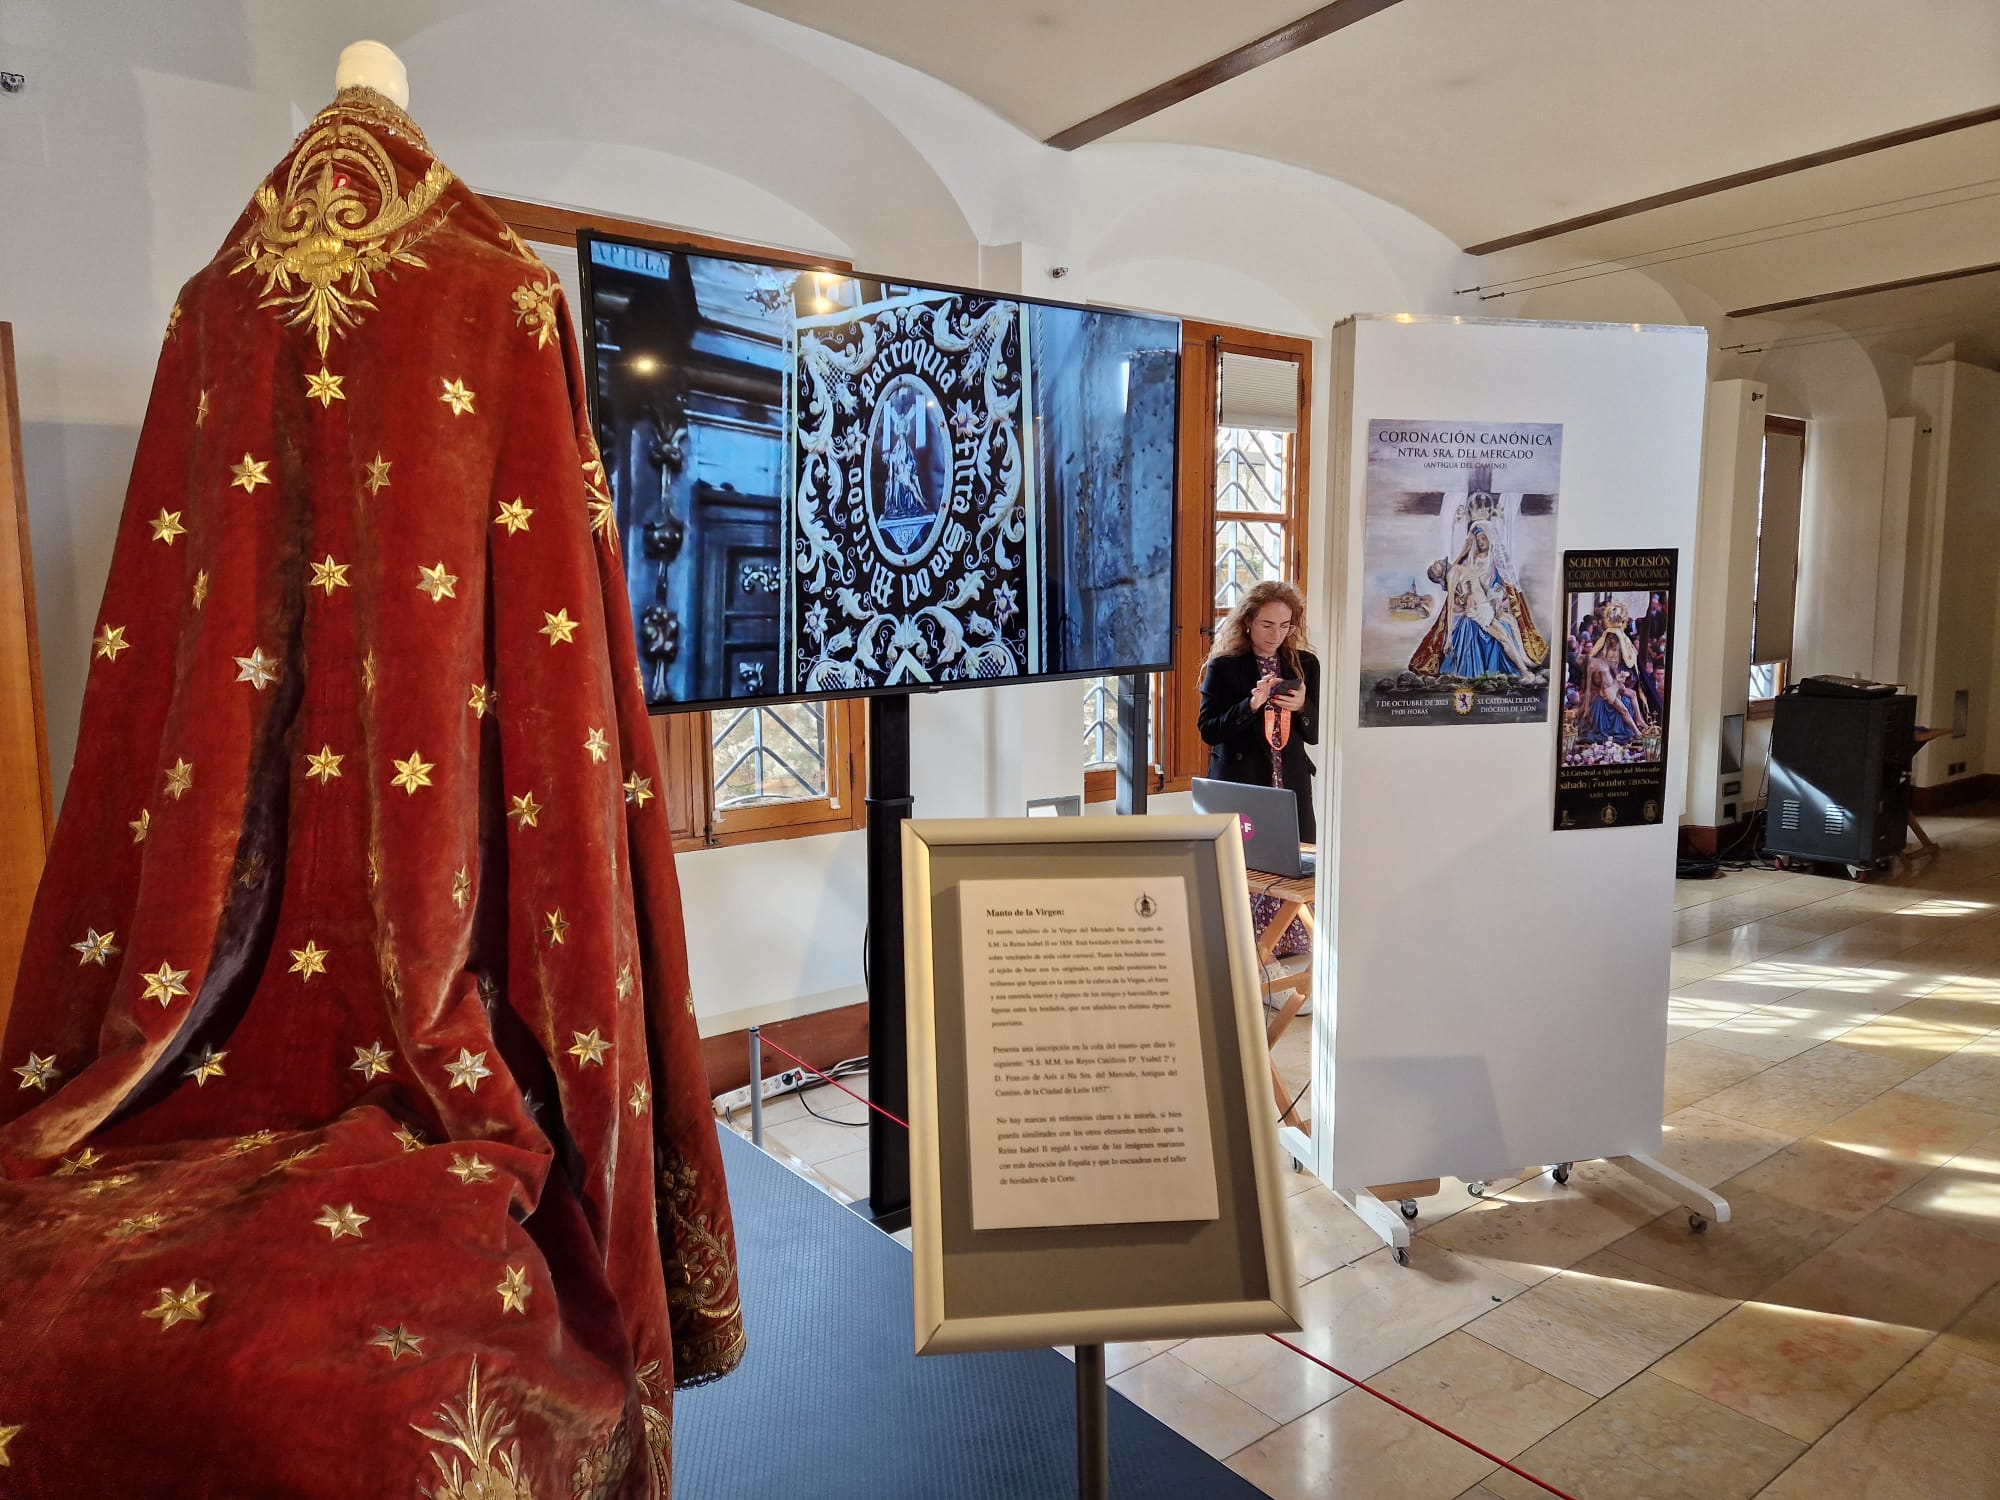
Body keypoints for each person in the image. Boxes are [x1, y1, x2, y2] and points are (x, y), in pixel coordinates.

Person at [1199, 580, 1320, 843]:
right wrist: (1251, 705)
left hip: (1291, 782)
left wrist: (1302, 707)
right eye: (1267, 625)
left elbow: (1314, 734)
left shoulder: (1306, 664)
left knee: (1299, 868)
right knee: (1243, 870)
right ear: (1248, 621)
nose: (1276, 635)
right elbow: (1208, 731)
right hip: (1241, 783)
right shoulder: (1223, 666)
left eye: (1284, 626)